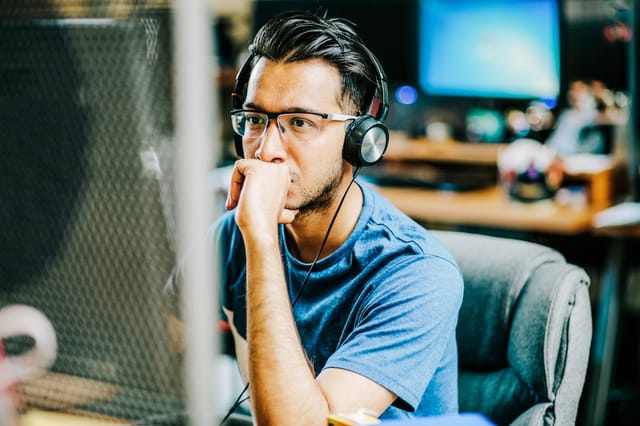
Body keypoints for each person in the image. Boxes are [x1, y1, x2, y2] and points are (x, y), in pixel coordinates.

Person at [167, 10, 463, 425]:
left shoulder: (419, 275)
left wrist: (263, 242)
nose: (266, 150)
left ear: (359, 141)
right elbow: (152, 339)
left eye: (299, 122)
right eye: (254, 120)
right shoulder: (234, 234)